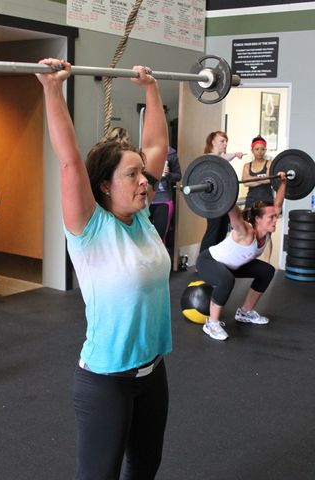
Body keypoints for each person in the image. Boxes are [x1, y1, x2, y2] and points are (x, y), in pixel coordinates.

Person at [36, 58, 171, 479]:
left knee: (145, 467)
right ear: (104, 186)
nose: (144, 181)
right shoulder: (90, 229)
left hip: (153, 372)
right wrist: (52, 89)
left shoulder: (143, 217)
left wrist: (150, 89)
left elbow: (157, 148)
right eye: (132, 175)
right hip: (106, 380)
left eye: (143, 175)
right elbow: (70, 162)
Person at [196, 172, 287, 341]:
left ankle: (245, 312)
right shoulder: (246, 231)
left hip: (232, 265)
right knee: (226, 279)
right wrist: (226, 189)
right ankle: (212, 323)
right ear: (258, 219)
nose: (276, 220)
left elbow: (278, 203)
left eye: (276, 216)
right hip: (209, 261)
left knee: (267, 270)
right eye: (271, 217)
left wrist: (283, 182)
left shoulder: (266, 232)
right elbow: (235, 214)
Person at [199, 131, 244, 252]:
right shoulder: (207, 158)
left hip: (223, 201)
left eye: (226, 141)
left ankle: (216, 259)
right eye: (222, 141)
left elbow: (223, 158)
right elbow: (221, 158)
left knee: (223, 229)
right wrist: (234, 154)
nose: (225, 144)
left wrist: (234, 154)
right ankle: (202, 261)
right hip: (212, 202)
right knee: (213, 230)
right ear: (213, 142)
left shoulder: (221, 159)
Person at [149, 146, 182, 244]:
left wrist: (168, 175)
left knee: (159, 236)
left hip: (164, 201)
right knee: (145, 236)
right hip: (146, 200)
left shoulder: (171, 154)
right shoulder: (145, 150)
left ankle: (161, 258)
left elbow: (178, 176)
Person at [241, 135, 273, 209]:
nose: (259, 152)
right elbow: (246, 183)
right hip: (250, 203)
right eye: (257, 149)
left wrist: (252, 179)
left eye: (262, 149)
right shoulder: (247, 166)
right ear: (252, 150)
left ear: (265, 150)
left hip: (267, 203)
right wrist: (263, 178)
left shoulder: (269, 163)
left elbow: (269, 179)